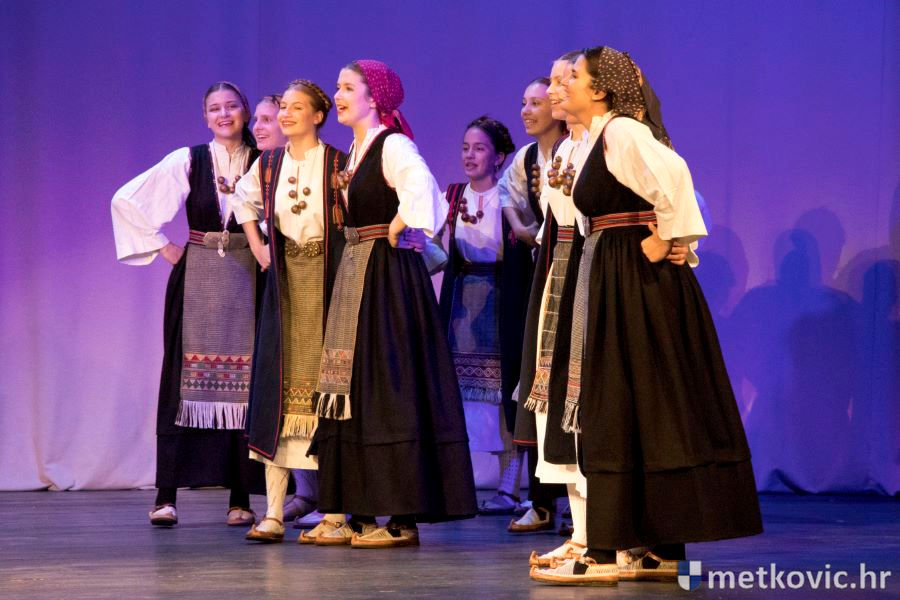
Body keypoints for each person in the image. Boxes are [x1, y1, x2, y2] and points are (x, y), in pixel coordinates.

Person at [530, 46, 762, 586]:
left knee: (622, 404)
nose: (563, 86)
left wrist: (667, 239)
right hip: (613, 274)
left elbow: (675, 177)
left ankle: (606, 551)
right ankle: (656, 547)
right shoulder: (596, 138)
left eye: (575, 77)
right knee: (634, 407)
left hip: (633, 280)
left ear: (600, 89)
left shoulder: (622, 131)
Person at [310, 60, 477, 548]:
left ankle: (403, 516)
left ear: (374, 98)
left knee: (392, 384)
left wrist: (399, 225)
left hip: (387, 277)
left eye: (348, 88)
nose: (338, 96)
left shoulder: (393, 144)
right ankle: (360, 511)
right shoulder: (356, 150)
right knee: (357, 383)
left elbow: (424, 194)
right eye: (338, 87)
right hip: (357, 273)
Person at [111, 81, 263, 527]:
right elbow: (127, 201)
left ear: (245, 111)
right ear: (205, 117)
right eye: (215, 108)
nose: (224, 114)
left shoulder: (265, 161)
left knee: (249, 385)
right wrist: (165, 247)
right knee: (181, 382)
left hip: (250, 277)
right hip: (197, 279)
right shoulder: (189, 160)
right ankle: (166, 496)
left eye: (231, 106)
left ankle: (240, 498)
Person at [230, 79, 348, 543]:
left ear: (318, 116)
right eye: (284, 107)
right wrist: (259, 246)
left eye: (297, 108)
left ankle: (335, 510)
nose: (286, 114)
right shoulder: (269, 164)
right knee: (278, 391)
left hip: (328, 281)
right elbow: (242, 201)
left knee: (330, 389)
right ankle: (274, 512)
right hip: (286, 285)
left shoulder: (337, 162)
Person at [436, 116, 533, 517]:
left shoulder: (510, 196)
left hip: (503, 300)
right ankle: (455, 482)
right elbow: (434, 244)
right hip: (462, 303)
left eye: (479, 148)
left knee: (503, 391)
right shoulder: (452, 196)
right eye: (465, 148)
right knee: (459, 394)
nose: (469, 155)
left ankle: (510, 484)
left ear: (499, 157)